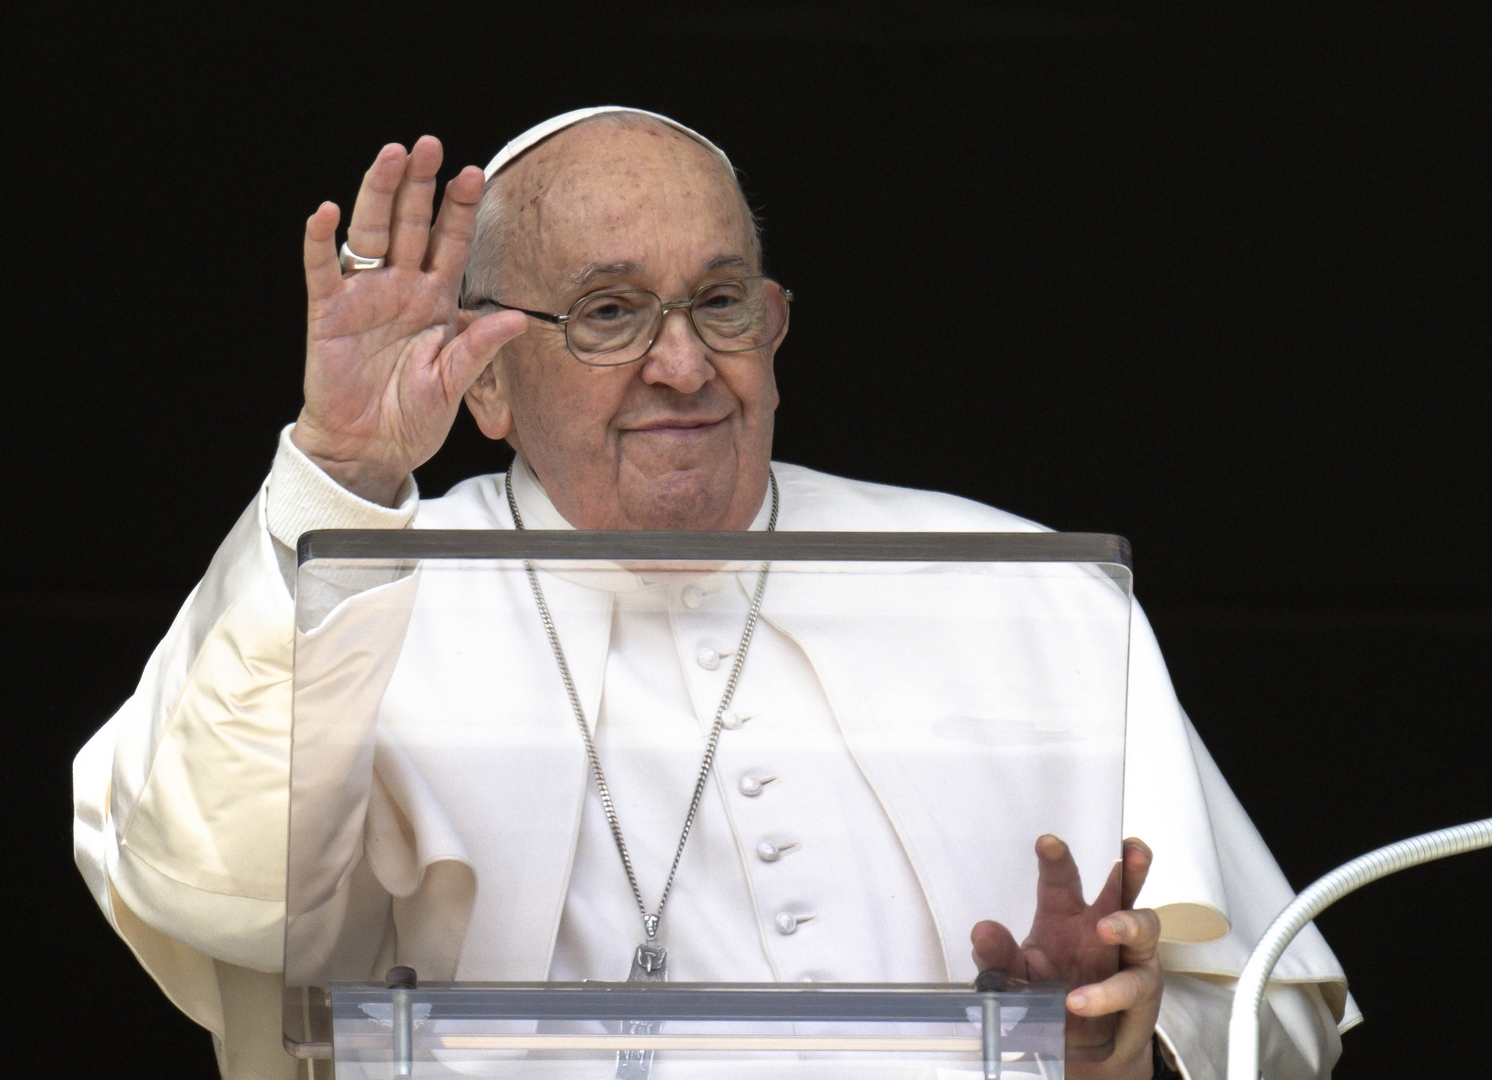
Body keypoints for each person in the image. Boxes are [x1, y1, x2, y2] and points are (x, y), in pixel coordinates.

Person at [72, 107, 1355, 1080]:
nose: (682, 365)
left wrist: (1120, 1050)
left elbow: (1266, 1006)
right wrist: (344, 472)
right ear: (486, 382)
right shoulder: (362, 594)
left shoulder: (1022, 588)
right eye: (610, 312)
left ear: (777, 326)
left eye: (720, 303)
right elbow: (213, 896)